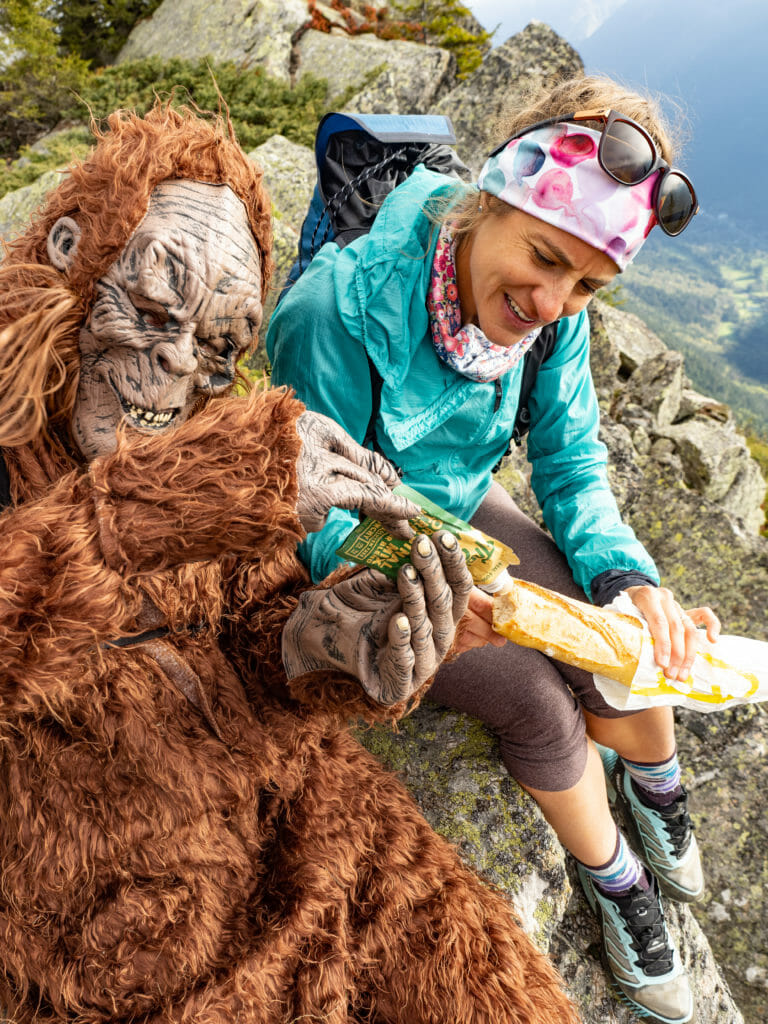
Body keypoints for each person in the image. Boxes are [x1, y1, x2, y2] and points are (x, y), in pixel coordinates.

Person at [0, 102, 582, 1023]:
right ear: (71, 249)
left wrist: (322, 644)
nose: (180, 371)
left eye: (224, 347)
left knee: (494, 987)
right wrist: (161, 504)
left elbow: (248, 642)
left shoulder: (210, 429)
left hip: (297, 833)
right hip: (102, 942)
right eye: (153, 309)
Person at [267, 75, 721, 1024]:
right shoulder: (336, 312)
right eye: (545, 259)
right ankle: (616, 878)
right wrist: (423, 587)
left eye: (587, 285)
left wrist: (629, 578)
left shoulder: (556, 310)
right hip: (374, 524)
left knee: (618, 641)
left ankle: (656, 782)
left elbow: (569, 458)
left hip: (463, 498)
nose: (554, 301)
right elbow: (310, 509)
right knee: (531, 697)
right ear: (491, 200)